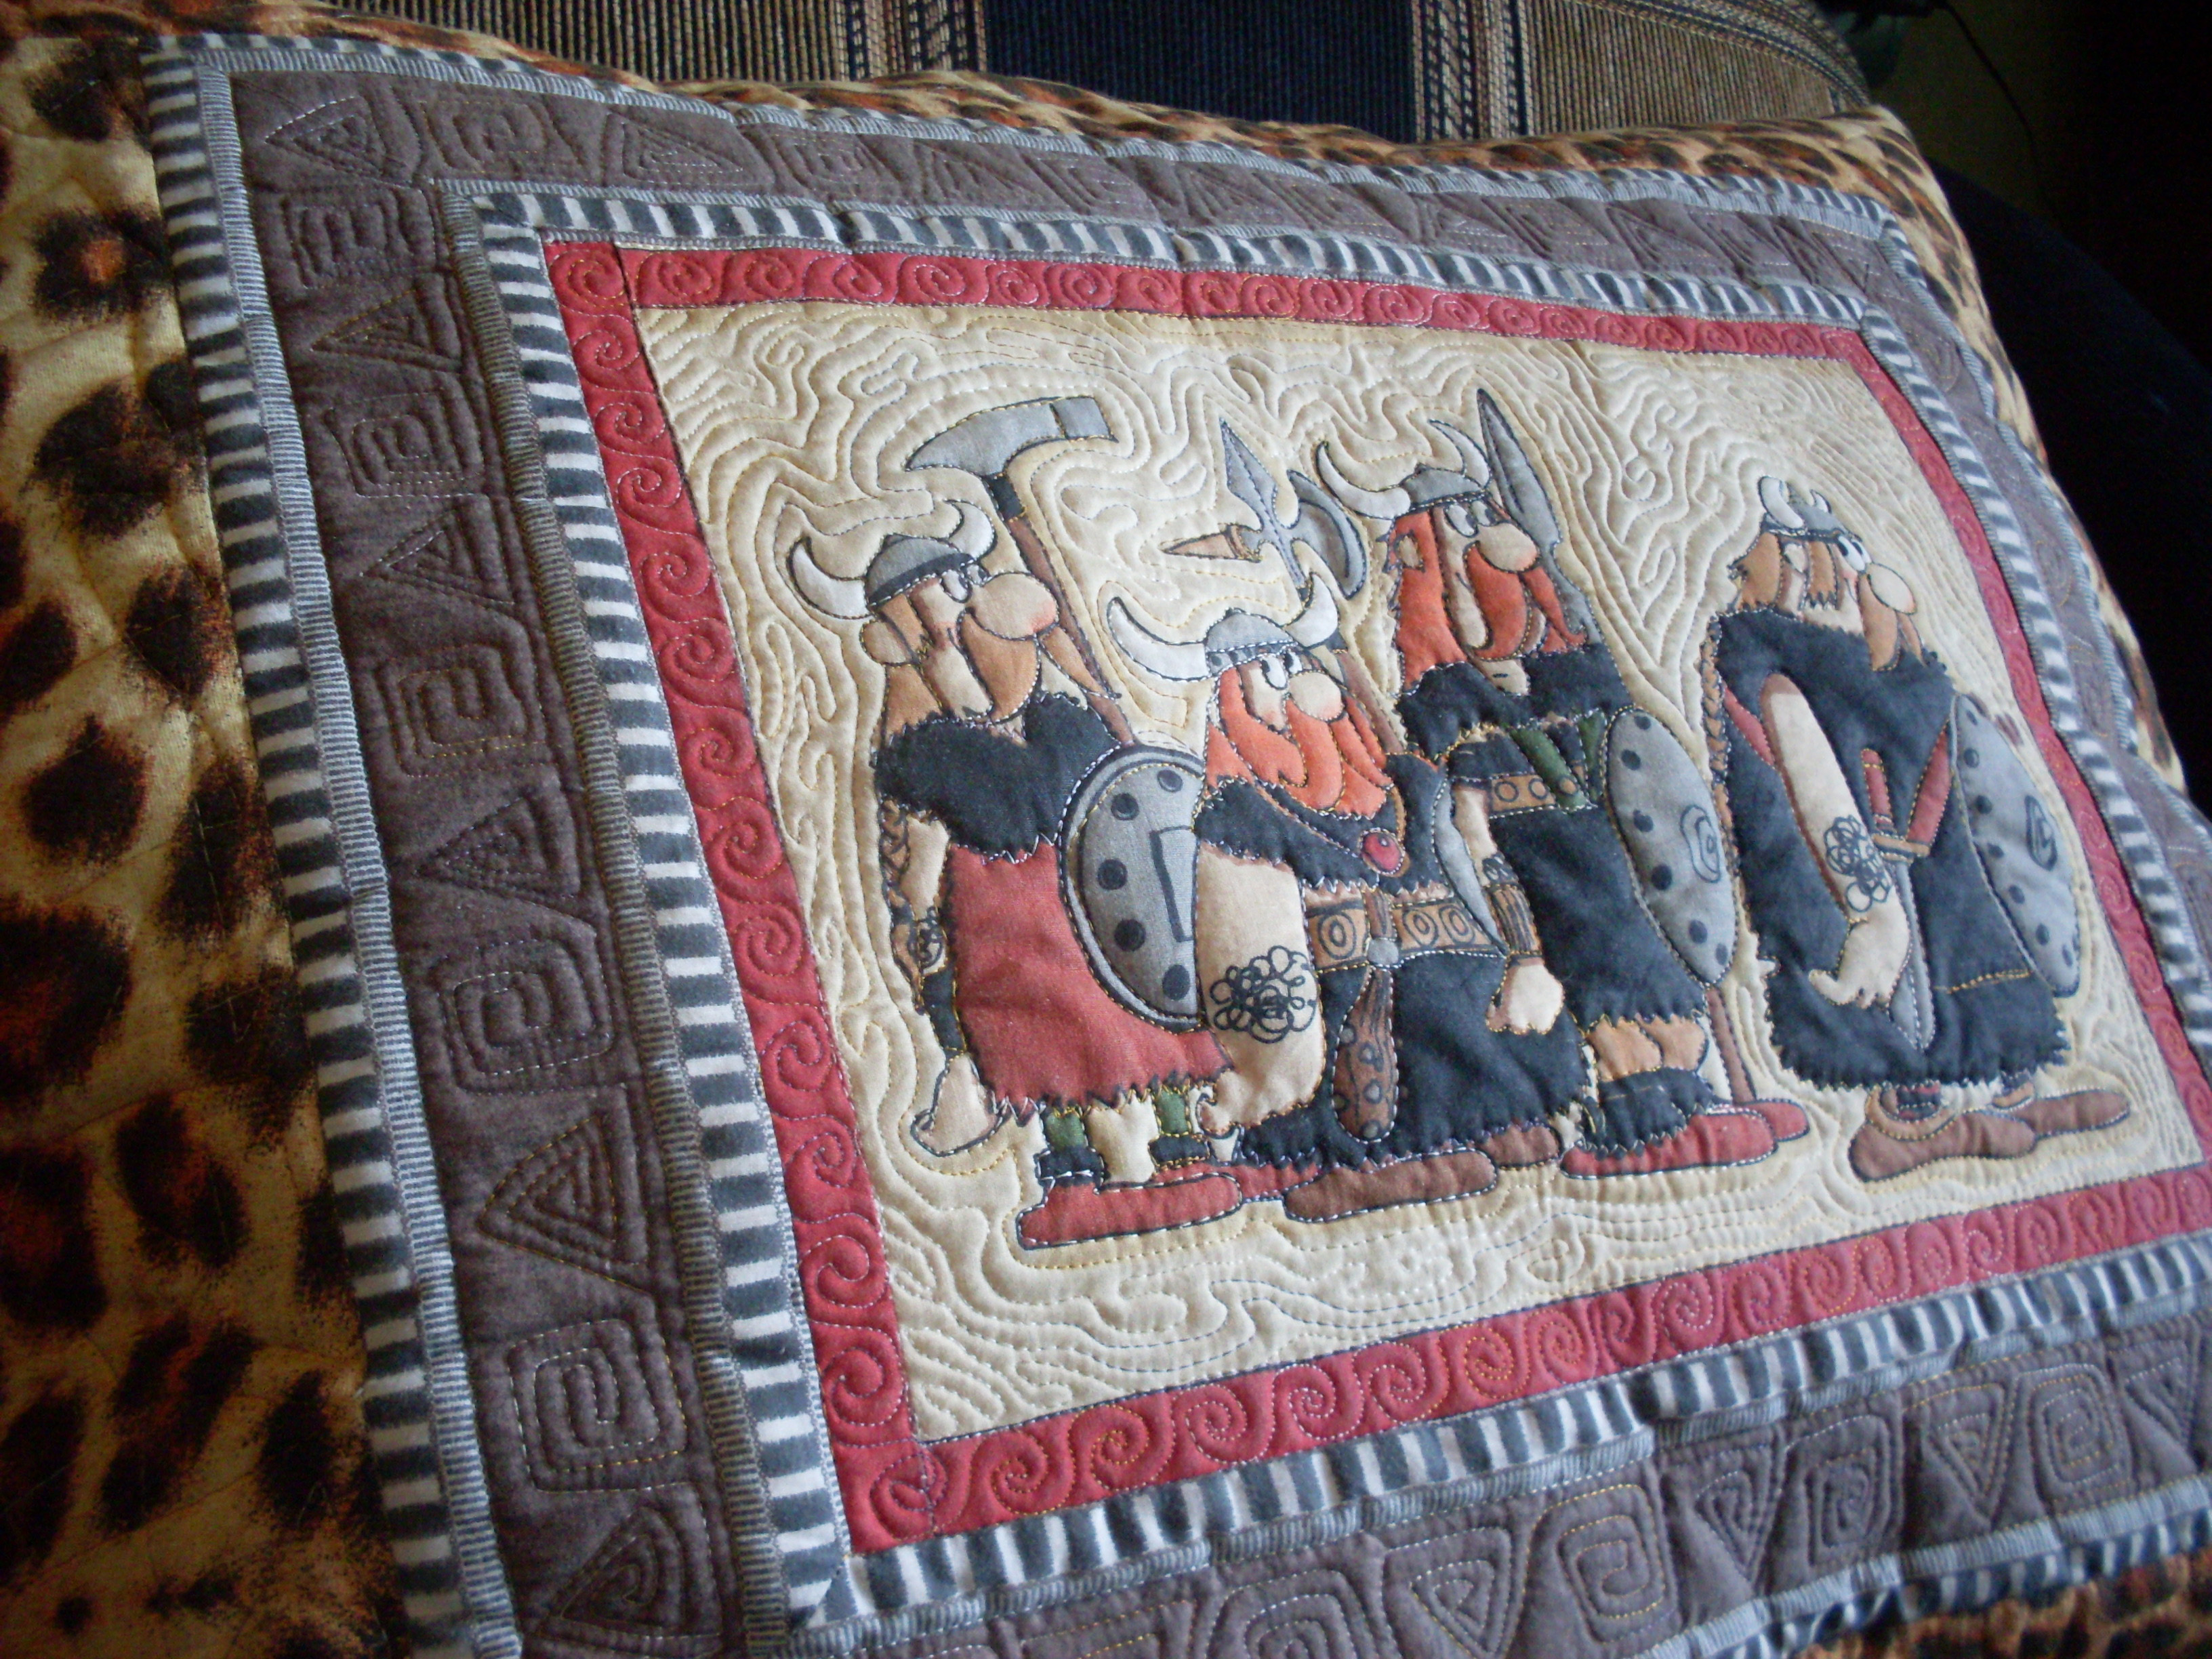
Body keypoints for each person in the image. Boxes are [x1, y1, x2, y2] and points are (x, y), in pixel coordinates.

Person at [788, 504, 1238, 1245]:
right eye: (925, 622)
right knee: (1044, 1039)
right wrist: (916, 915)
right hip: (1003, 915)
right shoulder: (926, 750)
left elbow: (1118, 801)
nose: (950, 635)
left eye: (954, 603)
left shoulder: (1064, 720)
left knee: (1143, 1014)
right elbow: (921, 849)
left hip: (1095, 890)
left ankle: (1182, 1150)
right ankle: (1077, 1176)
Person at [1702, 478, 2126, 1179]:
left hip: (1939, 861)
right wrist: (1872, 911)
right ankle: (1908, 1121)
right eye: (1838, 572)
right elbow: (1812, 786)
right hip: (1872, 865)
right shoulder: (1777, 667)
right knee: (1899, 1010)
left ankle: (2010, 1095)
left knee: (1970, 964)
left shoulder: (1894, 669)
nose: (1860, 586)